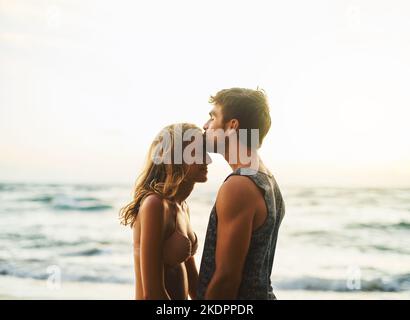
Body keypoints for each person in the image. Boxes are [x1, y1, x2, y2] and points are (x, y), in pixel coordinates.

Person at [197, 87, 286, 300]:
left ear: (231, 126)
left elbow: (227, 279)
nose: (205, 125)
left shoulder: (239, 185)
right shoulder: (267, 179)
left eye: (213, 116)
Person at [120, 123, 211, 300]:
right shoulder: (155, 205)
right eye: (197, 152)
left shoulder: (182, 207)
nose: (207, 159)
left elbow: (195, 286)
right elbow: (152, 294)